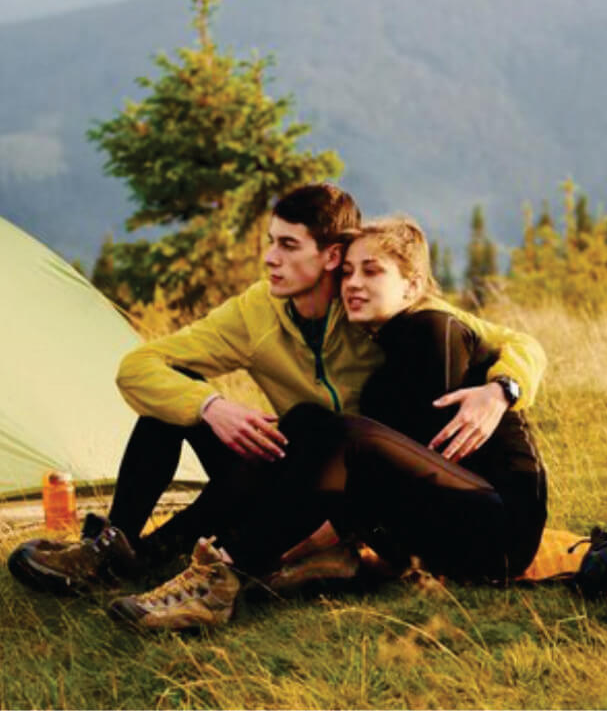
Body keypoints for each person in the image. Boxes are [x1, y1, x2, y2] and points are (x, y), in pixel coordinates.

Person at [9, 187, 545, 601]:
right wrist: (211, 408)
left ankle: (165, 562)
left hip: (341, 485)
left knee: (308, 429)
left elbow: (514, 342)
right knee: (170, 409)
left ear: (329, 256)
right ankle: (116, 547)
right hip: (292, 464)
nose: (270, 258)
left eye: (288, 245)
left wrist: (503, 389)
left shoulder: (376, 305)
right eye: (270, 241)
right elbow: (139, 367)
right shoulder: (255, 312)